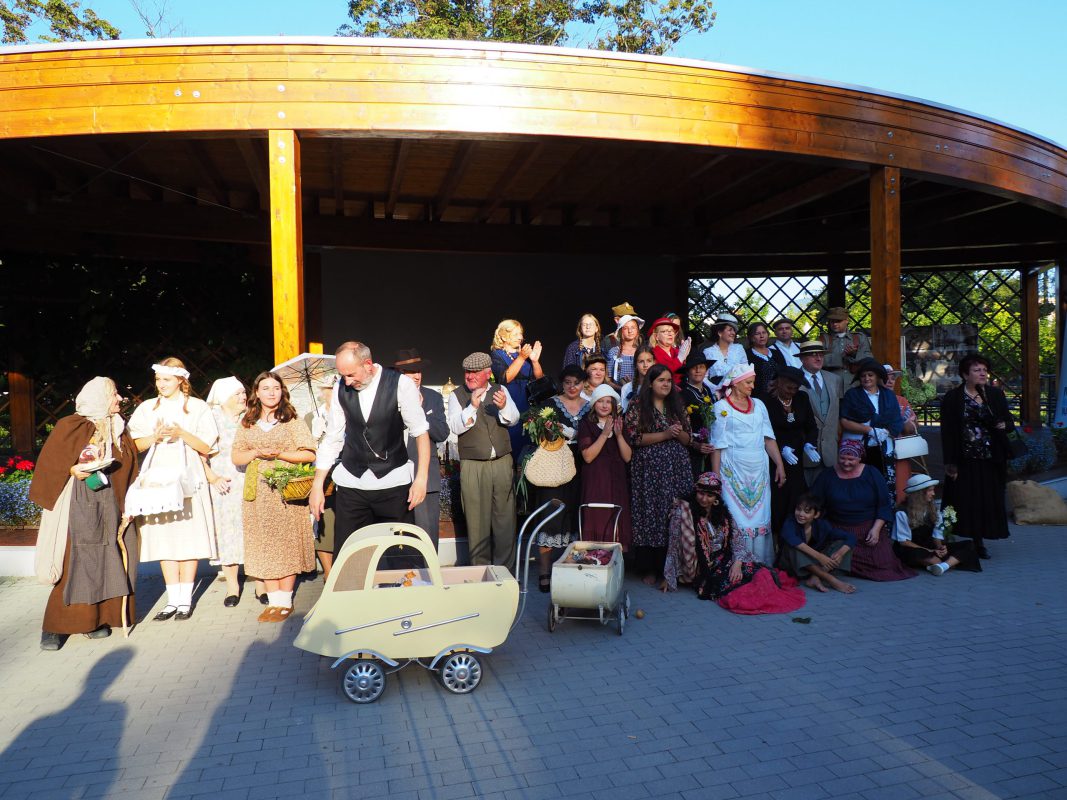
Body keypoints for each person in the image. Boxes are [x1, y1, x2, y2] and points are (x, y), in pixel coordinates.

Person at [30, 377, 139, 651]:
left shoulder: (118, 428)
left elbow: (129, 465)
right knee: (74, 561)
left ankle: (94, 620)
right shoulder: (73, 425)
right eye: (113, 394)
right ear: (99, 398)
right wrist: (72, 470)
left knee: (106, 559)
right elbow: (51, 463)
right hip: (79, 502)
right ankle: (55, 626)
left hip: (109, 502)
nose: (119, 399)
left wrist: (131, 503)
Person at [309, 341, 430, 557]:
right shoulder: (340, 388)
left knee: (400, 557)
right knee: (349, 557)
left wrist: (421, 479)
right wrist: (317, 486)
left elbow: (420, 432)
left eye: (351, 374)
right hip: (352, 486)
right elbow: (333, 438)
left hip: (393, 484)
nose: (347, 380)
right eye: (342, 375)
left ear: (368, 364)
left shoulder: (401, 384)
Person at [128, 358, 218, 621]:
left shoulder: (197, 407)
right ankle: (172, 599)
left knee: (187, 536)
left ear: (180, 380)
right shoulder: (147, 408)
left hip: (188, 476)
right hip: (158, 479)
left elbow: (207, 445)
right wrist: (154, 437)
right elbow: (134, 444)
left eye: (166, 379)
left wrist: (181, 434)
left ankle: (185, 599)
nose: (161, 384)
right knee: (164, 537)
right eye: (158, 379)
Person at [232, 371, 317, 622]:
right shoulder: (247, 422)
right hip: (257, 494)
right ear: (256, 393)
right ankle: (273, 601)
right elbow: (236, 457)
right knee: (264, 544)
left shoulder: (292, 420)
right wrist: (255, 452)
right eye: (266, 388)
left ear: (282, 392)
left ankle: (285, 600)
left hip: (286, 491)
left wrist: (280, 454)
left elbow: (309, 454)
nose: (271, 392)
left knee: (286, 543)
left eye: (276, 388)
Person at [667, 472, 806, 613]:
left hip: (727, 557)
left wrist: (738, 563)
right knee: (740, 591)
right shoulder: (684, 513)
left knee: (762, 574)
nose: (704, 499)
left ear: (716, 498)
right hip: (706, 567)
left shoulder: (723, 514)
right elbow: (673, 545)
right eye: (701, 493)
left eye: (709, 495)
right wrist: (669, 577)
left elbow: (737, 540)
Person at [447, 351, 520, 568]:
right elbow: (454, 427)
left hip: (501, 462)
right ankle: (480, 571)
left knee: (505, 519)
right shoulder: (457, 395)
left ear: (488, 373)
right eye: (467, 372)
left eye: (475, 372)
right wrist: (472, 406)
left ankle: (505, 571)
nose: (469, 376)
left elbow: (514, 420)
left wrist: (504, 406)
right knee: (476, 520)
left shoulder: (500, 390)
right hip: (473, 465)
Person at [709, 364, 786, 567]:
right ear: (735, 383)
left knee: (759, 517)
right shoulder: (721, 407)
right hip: (732, 471)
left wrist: (779, 465)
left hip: (759, 471)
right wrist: (716, 479)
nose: (752, 386)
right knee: (736, 517)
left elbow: (768, 438)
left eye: (753, 382)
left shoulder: (759, 405)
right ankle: (736, 565)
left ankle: (758, 564)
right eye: (748, 382)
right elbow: (717, 445)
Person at [624, 363, 693, 586]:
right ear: (650, 383)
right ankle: (650, 567)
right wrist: (665, 434)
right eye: (661, 380)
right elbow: (634, 437)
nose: (666, 384)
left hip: (676, 471)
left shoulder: (677, 405)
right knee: (650, 514)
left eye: (669, 380)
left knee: (672, 514)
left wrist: (678, 433)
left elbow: (688, 439)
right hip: (649, 472)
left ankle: (672, 568)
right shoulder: (637, 405)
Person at [940, 352, 1014, 559]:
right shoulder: (953, 398)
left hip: (991, 457)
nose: (982, 373)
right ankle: (957, 539)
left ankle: (980, 540)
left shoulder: (995, 395)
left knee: (987, 499)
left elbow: (1009, 422)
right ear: (965, 375)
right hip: (965, 458)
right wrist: (950, 462)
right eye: (977, 370)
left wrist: (1004, 425)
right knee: (965, 498)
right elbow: (947, 432)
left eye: (984, 370)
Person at [811, 439, 914, 581]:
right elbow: (814, 502)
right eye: (842, 458)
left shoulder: (872, 473)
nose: (846, 462)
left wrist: (876, 529)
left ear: (860, 458)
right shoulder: (827, 475)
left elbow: (884, 504)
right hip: (839, 529)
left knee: (883, 565)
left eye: (851, 459)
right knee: (836, 558)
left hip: (868, 528)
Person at [529, 364, 590, 590]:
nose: (572, 387)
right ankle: (544, 571)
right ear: (561, 384)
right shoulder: (549, 404)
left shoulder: (591, 406)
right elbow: (537, 433)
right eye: (567, 382)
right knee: (550, 514)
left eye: (577, 383)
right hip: (553, 463)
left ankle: (572, 570)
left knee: (575, 516)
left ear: (583, 384)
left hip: (582, 466)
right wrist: (551, 430)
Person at [394, 348, 450, 551]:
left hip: (425, 478)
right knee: (398, 537)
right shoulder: (389, 397)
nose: (417, 376)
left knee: (426, 537)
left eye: (419, 371)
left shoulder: (432, 397)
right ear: (401, 374)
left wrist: (419, 413)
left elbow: (442, 433)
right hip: (395, 477)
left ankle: (428, 570)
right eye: (412, 372)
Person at [204, 376, 251, 607]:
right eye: (237, 394)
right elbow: (199, 454)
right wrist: (212, 478)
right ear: (224, 398)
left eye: (243, 392)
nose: (243, 397)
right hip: (224, 483)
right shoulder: (211, 419)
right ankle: (232, 586)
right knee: (227, 532)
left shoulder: (250, 417)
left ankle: (260, 583)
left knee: (252, 530)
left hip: (250, 480)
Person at [765, 366, 820, 545]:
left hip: (796, 459)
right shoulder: (767, 401)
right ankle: (777, 542)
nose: (792, 392)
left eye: (795, 389)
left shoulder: (801, 398)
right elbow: (765, 432)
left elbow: (811, 426)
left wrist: (809, 444)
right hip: (774, 459)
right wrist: (782, 448)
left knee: (796, 497)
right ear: (779, 383)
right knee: (778, 501)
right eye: (789, 388)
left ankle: (796, 541)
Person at [578, 384, 632, 552]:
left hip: (616, 481)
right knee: (597, 518)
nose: (604, 405)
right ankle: (595, 557)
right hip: (596, 481)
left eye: (608, 402)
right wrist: (604, 434)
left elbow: (627, 457)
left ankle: (616, 561)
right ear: (594, 403)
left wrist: (618, 435)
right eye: (600, 401)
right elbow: (588, 456)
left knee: (616, 520)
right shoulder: (586, 424)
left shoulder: (619, 423)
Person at [840, 358, 904, 498]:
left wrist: (886, 432)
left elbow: (896, 420)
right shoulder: (852, 395)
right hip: (858, 446)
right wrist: (869, 430)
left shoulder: (888, 395)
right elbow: (844, 421)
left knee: (884, 483)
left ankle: (885, 509)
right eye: (863, 375)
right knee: (860, 482)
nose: (866, 378)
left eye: (870, 375)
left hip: (884, 446)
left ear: (877, 376)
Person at [893, 474, 981, 575]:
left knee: (969, 544)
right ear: (919, 493)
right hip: (911, 548)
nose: (933, 493)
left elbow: (936, 535)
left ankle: (943, 566)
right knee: (929, 557)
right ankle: (947, 563)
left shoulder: (933, 509)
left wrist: (940, 548)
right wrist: (930, 551)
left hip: (929, 546)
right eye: (930, 490)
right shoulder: (902, 512)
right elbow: (904, 542)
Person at [779, 493, 856, 593]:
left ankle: (815, 577)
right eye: (798, 509)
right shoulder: (790, 521)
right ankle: (830, 579)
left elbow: (851, 537)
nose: (801, 514)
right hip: (793, 566)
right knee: (793, 546)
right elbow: (792, 539)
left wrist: (840, 554)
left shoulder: (822, 525)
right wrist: (820, 557)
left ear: (816, 514)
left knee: (842, 544)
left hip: (816, 564)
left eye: (807, 512)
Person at [490, 318, 544, 456]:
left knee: (530, 449)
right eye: (515, 334)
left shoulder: (524, 355)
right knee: (513, 447)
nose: (520, 337)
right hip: (511, 405)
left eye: (521, 334)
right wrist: (521, 358)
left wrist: (535, 361)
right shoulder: (497, 355)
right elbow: (504, 378)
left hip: (529, 408)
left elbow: (540, 379)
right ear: (503, 336)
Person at [798, 340, 844, 485]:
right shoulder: (794, 380)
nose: (818, 358)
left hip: (831, 451)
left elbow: (837, 414)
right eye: (813, 355)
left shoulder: (835, 379)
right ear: (802, 358)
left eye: (821, 355)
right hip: (805, 452)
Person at [676, 350, 717, 478]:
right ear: (688, 371)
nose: (698, 370)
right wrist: (695, 444)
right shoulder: (681, 393)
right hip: (690, 450)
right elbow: (678, 425)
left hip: (709, 447)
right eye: (694, 367)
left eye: (702, 367)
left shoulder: (707, 390)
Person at [884, 364, 920, 502]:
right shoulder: (873, 399)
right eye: (886, 378)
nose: (890, 381)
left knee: (902, 489)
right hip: (880, 452)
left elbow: (913, 427)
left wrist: (910, 424)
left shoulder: (902, 400)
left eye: (893, 378)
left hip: (901, 452)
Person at [820, 306, 873, 375]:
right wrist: (841, 356)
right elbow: (818, 360)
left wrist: (854, 355)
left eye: (838, 321)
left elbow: (869, 359)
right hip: (831, 379)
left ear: (847, 320)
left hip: (854, 379)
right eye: (832, 321)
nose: (835, 324)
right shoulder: (824, 339)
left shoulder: (859, 337)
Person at [701, 313, 747, 390]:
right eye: (730, 330)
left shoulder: (739, 348)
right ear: (720, 333)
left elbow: (746, 371)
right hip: (716, 392)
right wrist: (717, 389)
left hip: (737, 391)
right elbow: (703, 377)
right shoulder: (708, 352)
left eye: (734, 330)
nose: (733, 333)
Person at [745, 321, 782, 401]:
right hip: (758, 397)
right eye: (757, 334)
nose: (762, 336)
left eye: (764, 333)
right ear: (751, 337)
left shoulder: (776, 353)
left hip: (779, 394)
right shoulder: (746, 355)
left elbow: (784, 371)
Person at [606, 313, 644, 390]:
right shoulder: (614, 352)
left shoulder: (642, 351)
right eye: (626, 328)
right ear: (621, 331)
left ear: (637, 330)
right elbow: (607, 380)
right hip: (619, 393)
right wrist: (623, 389)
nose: (630, 331)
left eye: (633, 327)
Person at [647, 316, 687, 385]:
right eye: (664, 331)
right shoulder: (651, 354)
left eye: (672, 331)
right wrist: (679, 359)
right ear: (656, 336)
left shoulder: (678, 351)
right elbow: (664, 373)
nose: (670, 334)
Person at [620, 345, 655, 412]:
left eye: (649, 361)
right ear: (636, 364)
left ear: (654, 362)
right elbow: (624, 413)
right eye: (641, 361)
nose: (645, 365)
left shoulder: (659, 386)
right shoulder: (627, 388)